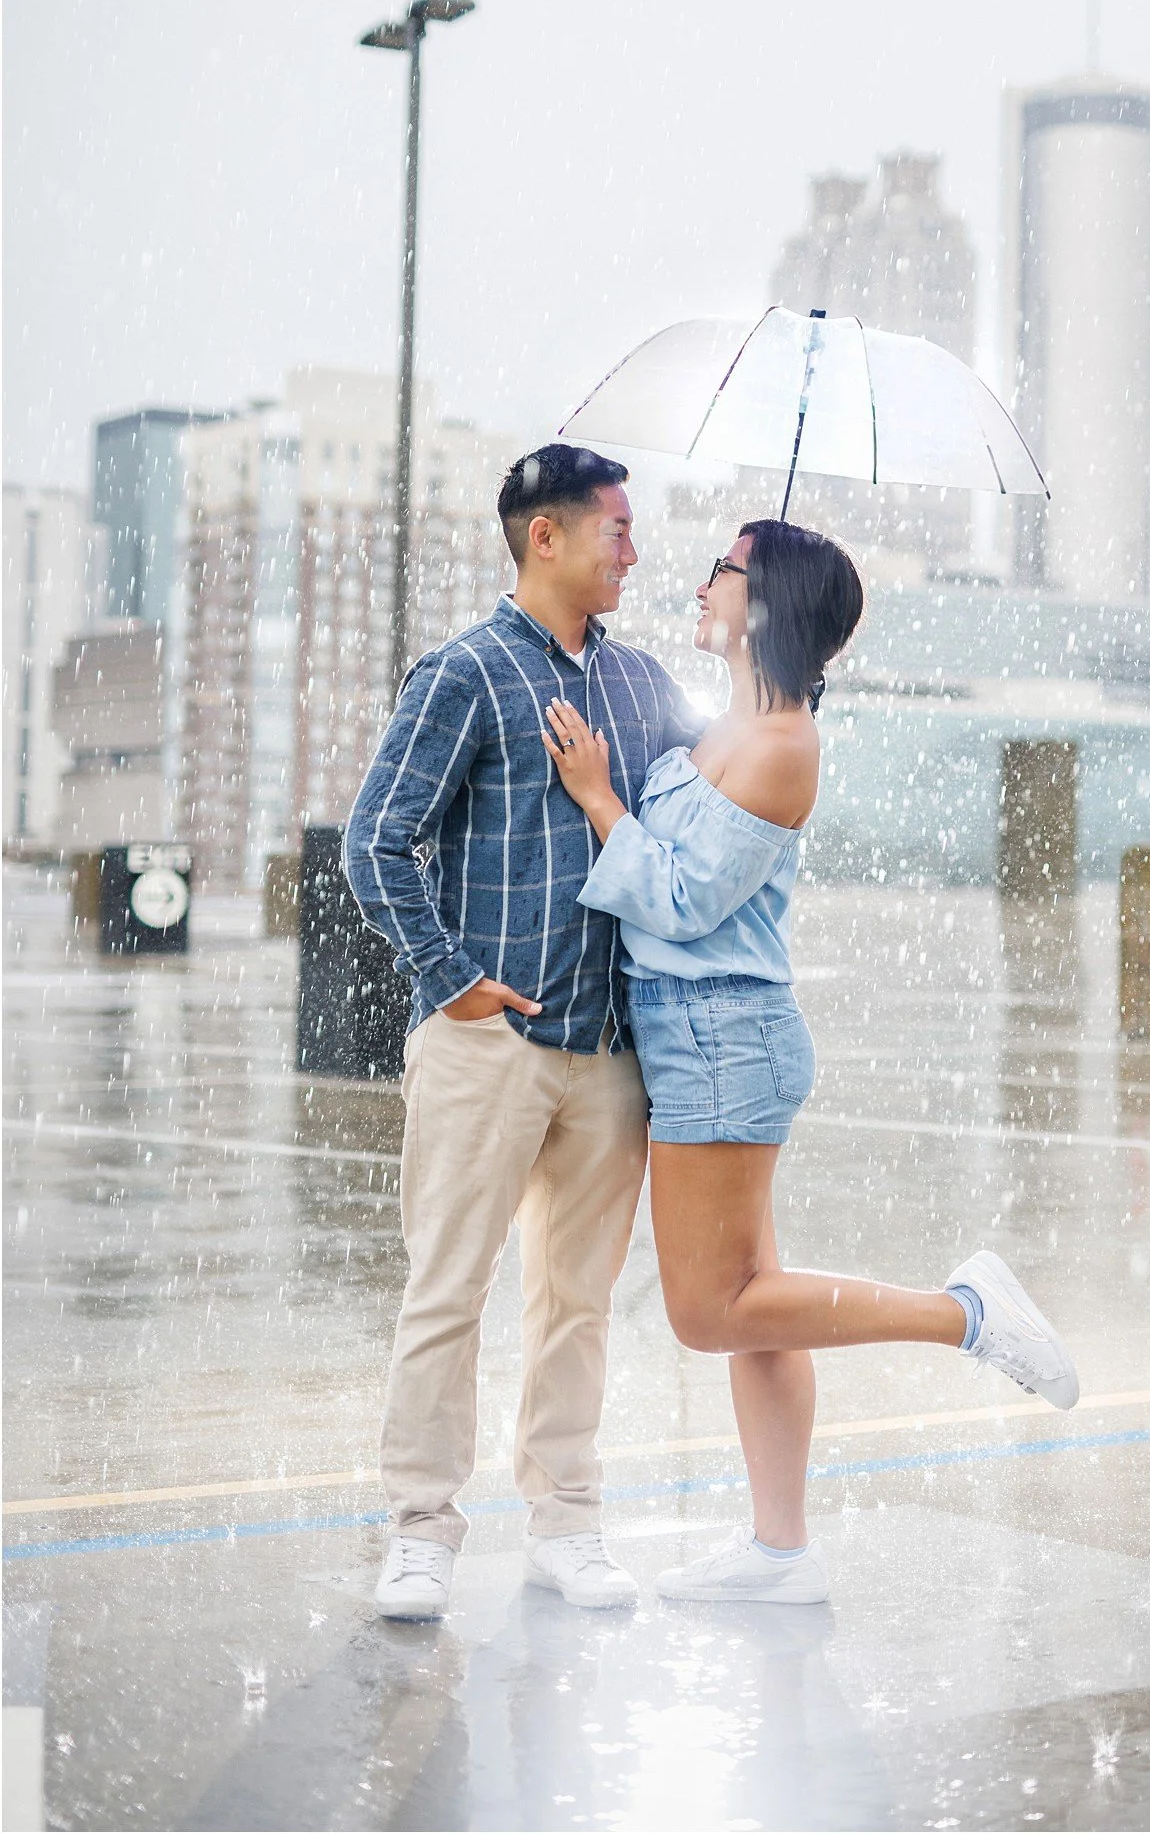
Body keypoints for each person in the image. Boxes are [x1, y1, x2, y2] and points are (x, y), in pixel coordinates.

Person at [543, 517, 1079, 1606]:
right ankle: (780, 1550)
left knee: (709, 1309)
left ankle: (963, 1312)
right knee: (756, 1301)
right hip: (697, 1029)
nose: (700, 581)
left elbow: (687, 903)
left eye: (724, 569)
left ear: (768, 601)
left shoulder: (783, 744)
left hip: (717, 1031)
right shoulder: (725, 725)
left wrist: (602, 797)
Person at [343, 443, 704, 1625]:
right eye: (615, 527)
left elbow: (678, 849)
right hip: (486, 1043)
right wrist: (452, 980)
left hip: (610, 1052)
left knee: (578, 1301)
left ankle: (566, 1520)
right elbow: (376, 840)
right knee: (448, 1289)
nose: (632, 549)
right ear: (542, 536)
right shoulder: (463, 673)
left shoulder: (647, 686)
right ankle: (421, 1529)